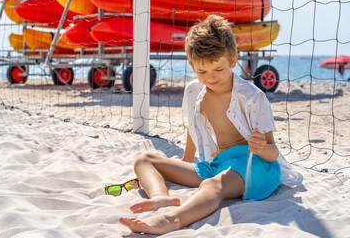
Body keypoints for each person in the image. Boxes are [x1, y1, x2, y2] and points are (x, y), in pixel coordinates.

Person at [119, 15, 303, 235]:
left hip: (253, 165)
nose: (210, 77)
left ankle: (173, 219)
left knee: (212, 186)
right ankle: (161, 198)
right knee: (145, 160)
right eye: (202, 71)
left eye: (218, 69)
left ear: (233, 61)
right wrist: (186, 162)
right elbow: (193, 128)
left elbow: (273, 154)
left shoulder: (253, 97)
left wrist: (262, 147)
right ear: (191, 65)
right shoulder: (195, 91)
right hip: (217, 163)